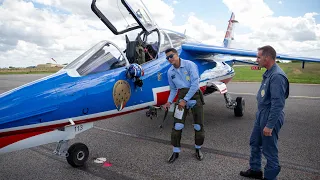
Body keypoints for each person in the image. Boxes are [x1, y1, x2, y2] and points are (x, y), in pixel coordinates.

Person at [240, 45, 290, 180]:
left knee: (269, 149)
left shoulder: (277, 76)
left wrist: (270, 125)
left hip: (269, 116)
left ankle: (270, 177)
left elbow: (278, 104)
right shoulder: (269, 73)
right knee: (255, 142)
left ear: (267, 58)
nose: (256, 60)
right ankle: (256, 170)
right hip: (262, 114)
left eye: (258, 57)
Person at [162, 48, 205, 163]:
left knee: (198, 126)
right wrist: (169, 102)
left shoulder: (190, 65)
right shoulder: (170, 72)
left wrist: (185, 100)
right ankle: (175, 151)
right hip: (181, 97)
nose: (169, 59)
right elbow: (173, 89)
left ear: (177, 55)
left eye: (171, 56)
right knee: (177, 126)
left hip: (194, 96)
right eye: (167, 58)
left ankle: (198, 149)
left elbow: (195, 84)